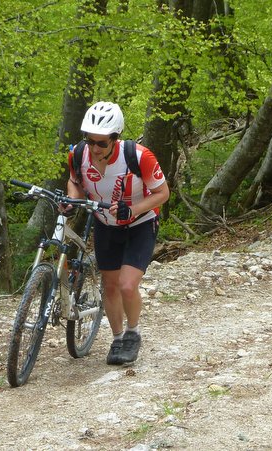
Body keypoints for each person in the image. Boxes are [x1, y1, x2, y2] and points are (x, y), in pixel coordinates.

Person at [64, 101, 169, 364]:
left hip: (140, 223)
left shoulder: (139, 156)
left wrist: (132, 210)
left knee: (127, 284)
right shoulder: (79, 154)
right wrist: (70, 198)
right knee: (110, 286)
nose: (95, 149)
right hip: (105, 224)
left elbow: (163, 193)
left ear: (115, 139)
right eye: (90, 141)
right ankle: (117, 338)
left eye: (101, 143)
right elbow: (75, 181)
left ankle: (133, 333)